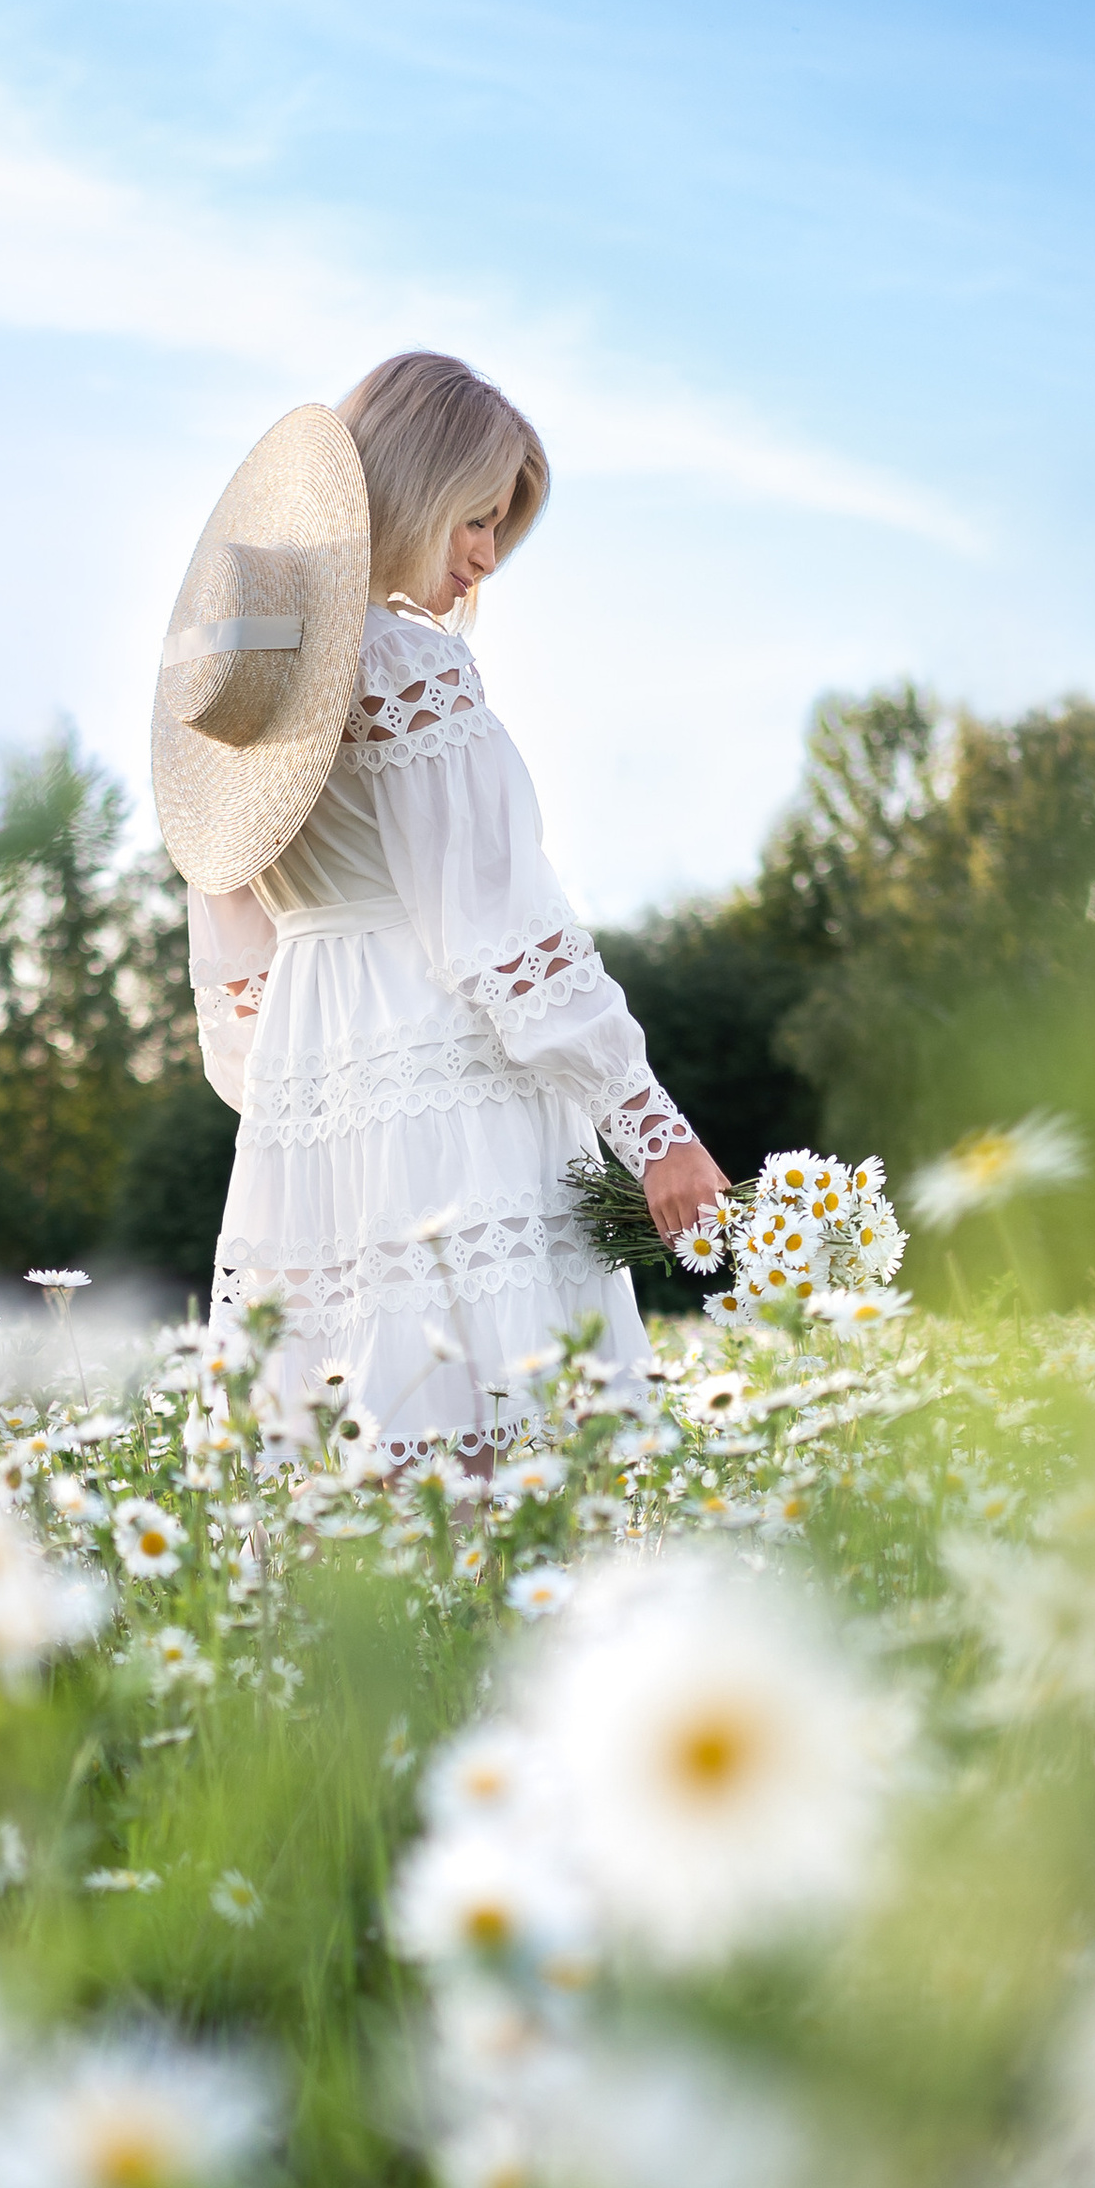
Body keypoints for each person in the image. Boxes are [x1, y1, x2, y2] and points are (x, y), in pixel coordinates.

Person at [150, 354, 726, 1466]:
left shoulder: (251, 680)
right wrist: (653, 1127)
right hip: (446, 1068)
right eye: (475, 516)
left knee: (340, 1418)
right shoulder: (413, 666)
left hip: (313, 1082)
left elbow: (229, 937)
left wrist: (294, 1085)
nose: (485, 557)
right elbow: (503, 933)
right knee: (493, 1419)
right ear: (413, 487)